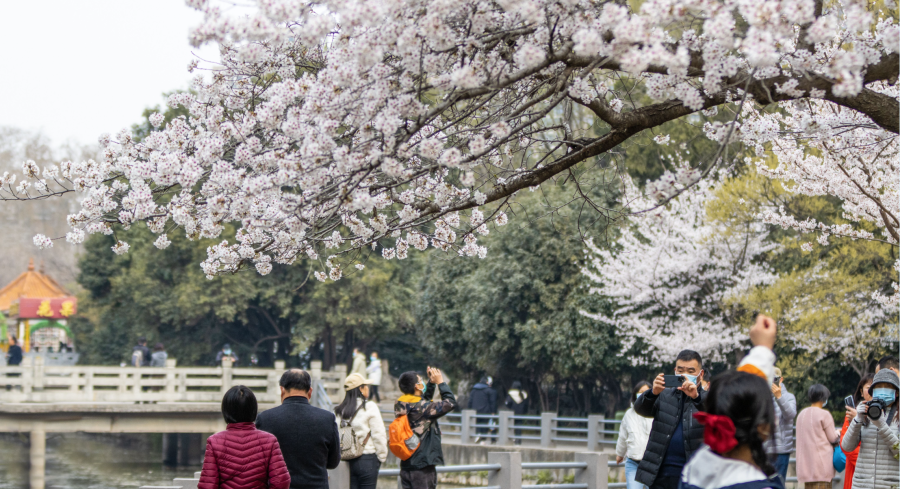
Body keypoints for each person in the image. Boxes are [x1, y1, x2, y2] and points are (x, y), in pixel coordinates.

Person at [679, 314, 782, 489]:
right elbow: (742, 395)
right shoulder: (758, 485)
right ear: (763, 427)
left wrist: (762, 350)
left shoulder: (697, 466)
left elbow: (738, 395)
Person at [256, 369, 341, 489]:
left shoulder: (265, 418)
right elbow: (333, 462)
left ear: (282, 390)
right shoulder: (327, 418)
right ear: (310, 391)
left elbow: (259, 463)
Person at [633, 349, 705, 489]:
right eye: (680, 370)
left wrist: (696, 397)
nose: (685, 375)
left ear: (700, 374)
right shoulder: (664, 394)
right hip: (660, 473)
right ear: (675, 371)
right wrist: (653, 393)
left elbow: (713, 414)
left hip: (692, 475)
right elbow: (640, 409)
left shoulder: (706, 398)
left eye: (691, 371)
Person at [198, 385, 291, 489]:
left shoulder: (214, 441)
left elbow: (207, 485)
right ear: (253, 409)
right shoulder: (269, 441)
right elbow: (281, 482)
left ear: (226, 410)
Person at [395, 366, 458, 489]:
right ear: (417, 386)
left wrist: (431, 384)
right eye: (421, 380)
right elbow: (450, 402)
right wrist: (441, 382)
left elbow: (423, 402)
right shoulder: (423, 408)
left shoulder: (401, 404)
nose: (422, 381)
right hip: (422, 467)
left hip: (407, 465)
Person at [841, 369, 900, 489]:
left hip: (890, 485)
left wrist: (882, 425)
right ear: (873, 392)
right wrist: (858, 419)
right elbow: (846, 446)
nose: (883, 390)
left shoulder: (898, 417)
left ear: (897, 393)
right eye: (879, 387)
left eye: (887, 386)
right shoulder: (866, 414)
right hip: (861, 485)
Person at [335, 373, 388, 489]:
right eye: (366, 386)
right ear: (360, 388)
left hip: (347, 459)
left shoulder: (340, 410)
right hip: (367, 458)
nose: (368, 388)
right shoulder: (369, 407)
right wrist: (381, 457)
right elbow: (379, 434)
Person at [795, 384, 840, 489]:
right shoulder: (824, 414)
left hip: (805, 467)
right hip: (821, 466)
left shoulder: (801, 414)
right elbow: (833, 438)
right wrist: (837, 432)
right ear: (824, 398)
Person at [616, 381, 653, 489]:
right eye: (640, 392)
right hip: (633, 462)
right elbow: (623, 435)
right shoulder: (629, 414)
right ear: (635, 394)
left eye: (646, 392)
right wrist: (620, 454)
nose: (643, 394)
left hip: (652, 464)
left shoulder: (656, 412)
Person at [840, 374, 874, 489]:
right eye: (869, 387)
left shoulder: (887, 414)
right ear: (861, 391)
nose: (873, 390)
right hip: (857, 474)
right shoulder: (852, 415)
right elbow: (846, 447)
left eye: (877, 386)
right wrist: (857, 419)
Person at [765, 366, 797, 483]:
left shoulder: (789, 397)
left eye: (774, 379)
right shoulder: (764, 396)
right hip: (765, 449)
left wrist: (779, 397)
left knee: (778, 483)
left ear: (781, 379)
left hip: (781, 450)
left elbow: (790, 415)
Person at [468, 376, 497, 444]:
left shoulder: (474, 390)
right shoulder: (489, 390)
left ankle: (477, 436)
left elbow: (470, 401)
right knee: (484, 425)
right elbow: (492, 402)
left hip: (475, 411)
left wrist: (469, 409)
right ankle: (482, 439)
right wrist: (493, 411)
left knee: (476, 424)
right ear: (486, 382)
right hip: (485, 411)